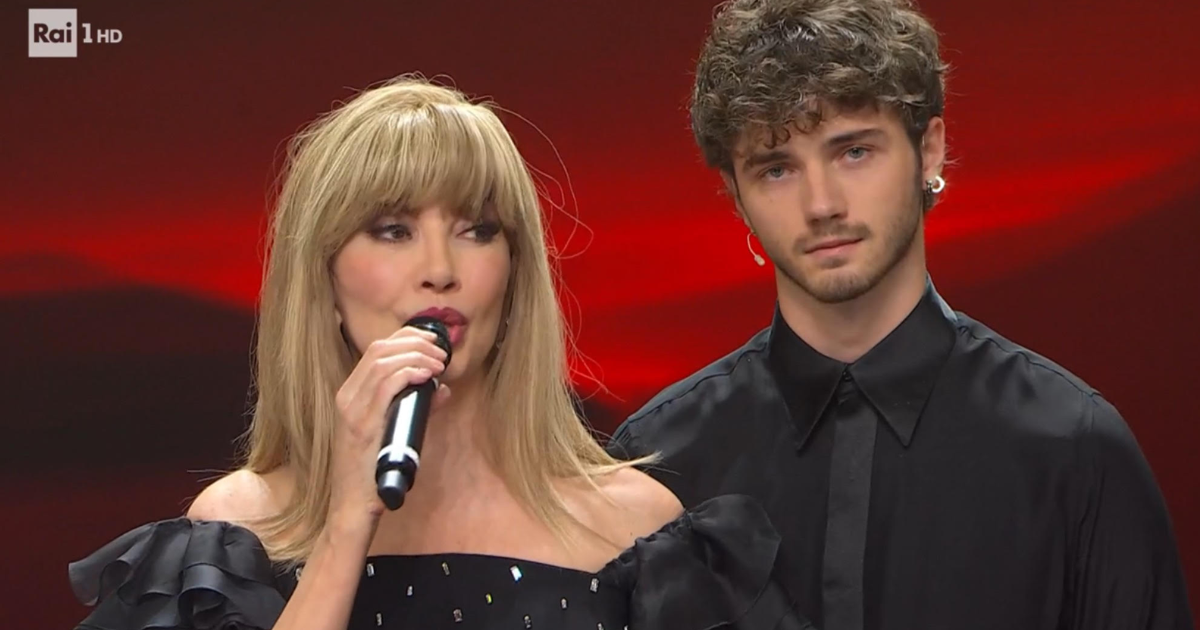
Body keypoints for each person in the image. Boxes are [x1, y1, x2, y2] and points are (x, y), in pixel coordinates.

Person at [67, 76, 812, 630]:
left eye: (476, 230)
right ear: (324, 279)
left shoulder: (635, 529)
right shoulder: (237, 530)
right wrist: (346, 522)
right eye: (393, 230)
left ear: (513, 276)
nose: (440, 269)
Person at [606, 1, 1195, 629]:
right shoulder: (656, 464)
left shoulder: (1074, 450)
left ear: (929, 150)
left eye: (854, 152)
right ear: (736, 196)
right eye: (776, 169)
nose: (822, 204)